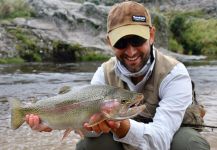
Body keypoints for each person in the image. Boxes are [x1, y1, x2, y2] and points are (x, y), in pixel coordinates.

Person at [25, 1, 210, 150]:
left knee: (189, 144)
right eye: (121, 42)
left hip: (168, 140)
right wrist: (54, 122)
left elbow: (161, 139)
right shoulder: (103, 74)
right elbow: (89, 130)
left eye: (137, 40)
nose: (130, 52)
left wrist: (123, 127)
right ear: (109, 42)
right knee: (89, 145)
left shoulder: (175, 74)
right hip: (124, 141)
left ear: (151, 35)